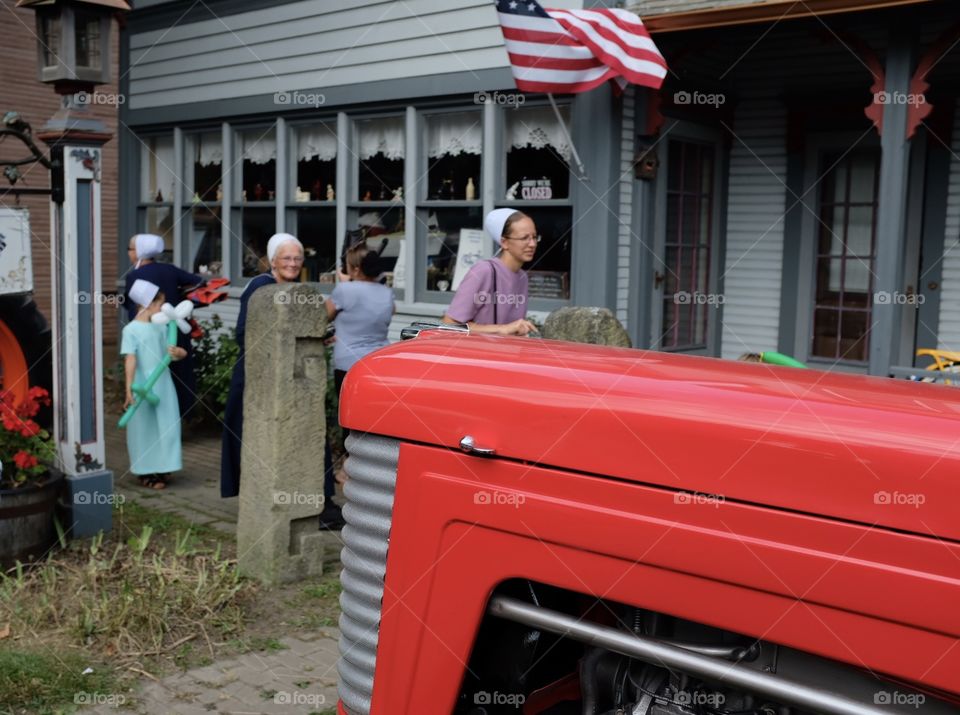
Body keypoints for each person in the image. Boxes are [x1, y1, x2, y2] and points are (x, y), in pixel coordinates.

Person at [220, 233, 304, 500]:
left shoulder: (293, 288)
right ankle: (254, 496)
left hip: (284, 374)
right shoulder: (261, 287)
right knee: (251, 437)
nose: (293, 263)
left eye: (297, 258)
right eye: (287, 258)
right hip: (254, 375)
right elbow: (243, 333)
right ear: (272, 261)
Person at [124, 234, 204, 419]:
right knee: (180, 375)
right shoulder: (170, 270)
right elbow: (198, 281)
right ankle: (182, 416)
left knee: (155, 375)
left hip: (150, 334)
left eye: (130, 249)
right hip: (176, 329)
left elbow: (131, 306)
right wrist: (180, 297)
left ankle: (154, 418)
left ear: (139, 252)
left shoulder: (135, 276)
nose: (129, 253)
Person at [121, 279, 186, 490]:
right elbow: (130, 359)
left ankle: (164, 466)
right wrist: (129, 389)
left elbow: (173, 350)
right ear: (147, 304)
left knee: (167, 425)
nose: (162, 309)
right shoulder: (131, 330)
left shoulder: (162, 327)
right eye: (159, 304)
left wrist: (179, 353)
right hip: (143, 383)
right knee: (144, 427)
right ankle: (146, 471)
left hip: (163, 383)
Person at [442, 209, 538, 335]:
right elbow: (449, 325)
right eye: (524, 238)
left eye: (535, 237)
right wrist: (502, 329)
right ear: (504, 242)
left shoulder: (522, 277)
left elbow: (512, 329)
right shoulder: (484, 271)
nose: (532, 244)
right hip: (476, 353)